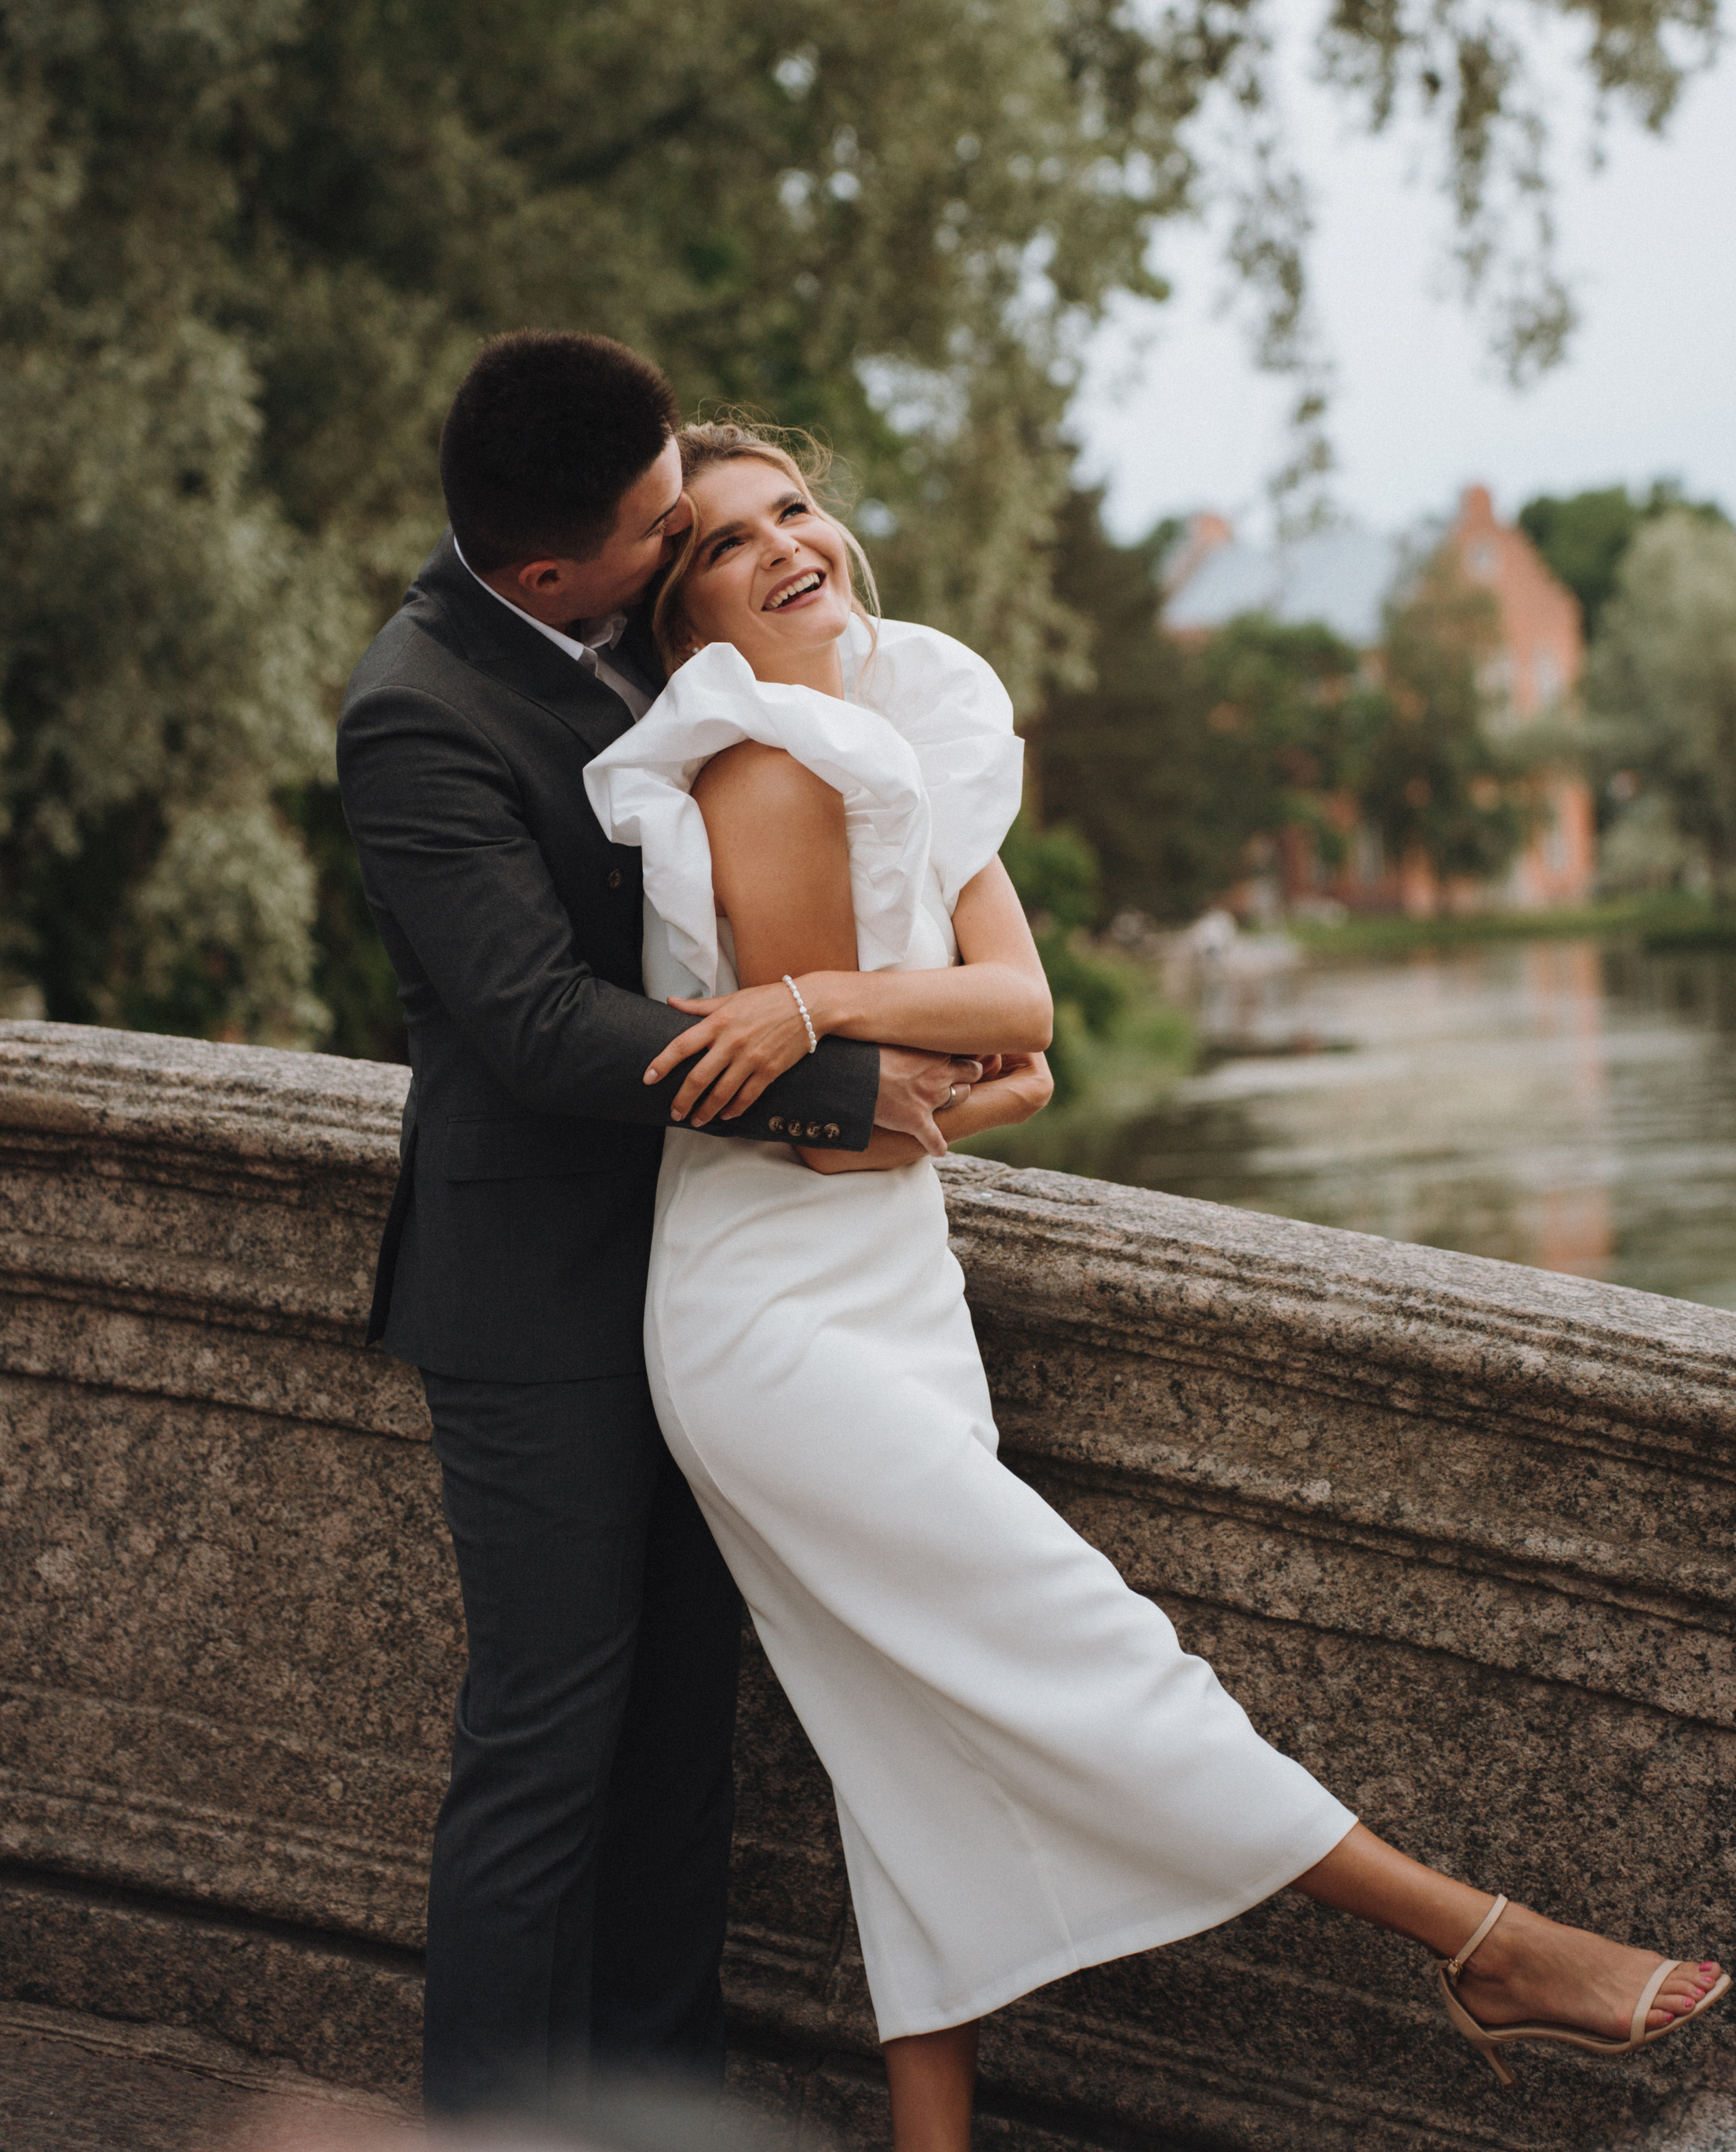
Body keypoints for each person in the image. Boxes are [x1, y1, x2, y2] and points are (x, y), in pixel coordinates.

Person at [584, 417, 1727, 2152]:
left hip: (896, 1285)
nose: (783, 547)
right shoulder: (758, 765)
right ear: (685, 623)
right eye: (726, 545)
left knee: (903, 1754)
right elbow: (837, 1132)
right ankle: (1478, 1941)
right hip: (772, 1320)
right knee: (1092, 1653)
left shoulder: (908, 729)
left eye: (793, 509)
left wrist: (828, 1013)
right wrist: (887, 1052)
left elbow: (1024, 1024)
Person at [335, 334, 979, 2118]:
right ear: (552, 572)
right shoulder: (417, 712)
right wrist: (831, 1088)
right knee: (546, 1748)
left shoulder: (640, 625)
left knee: (683, 1743)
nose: (685, 534)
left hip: (715, 1278)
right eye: (658, 528)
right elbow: (537, 1025)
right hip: (536, 1295)